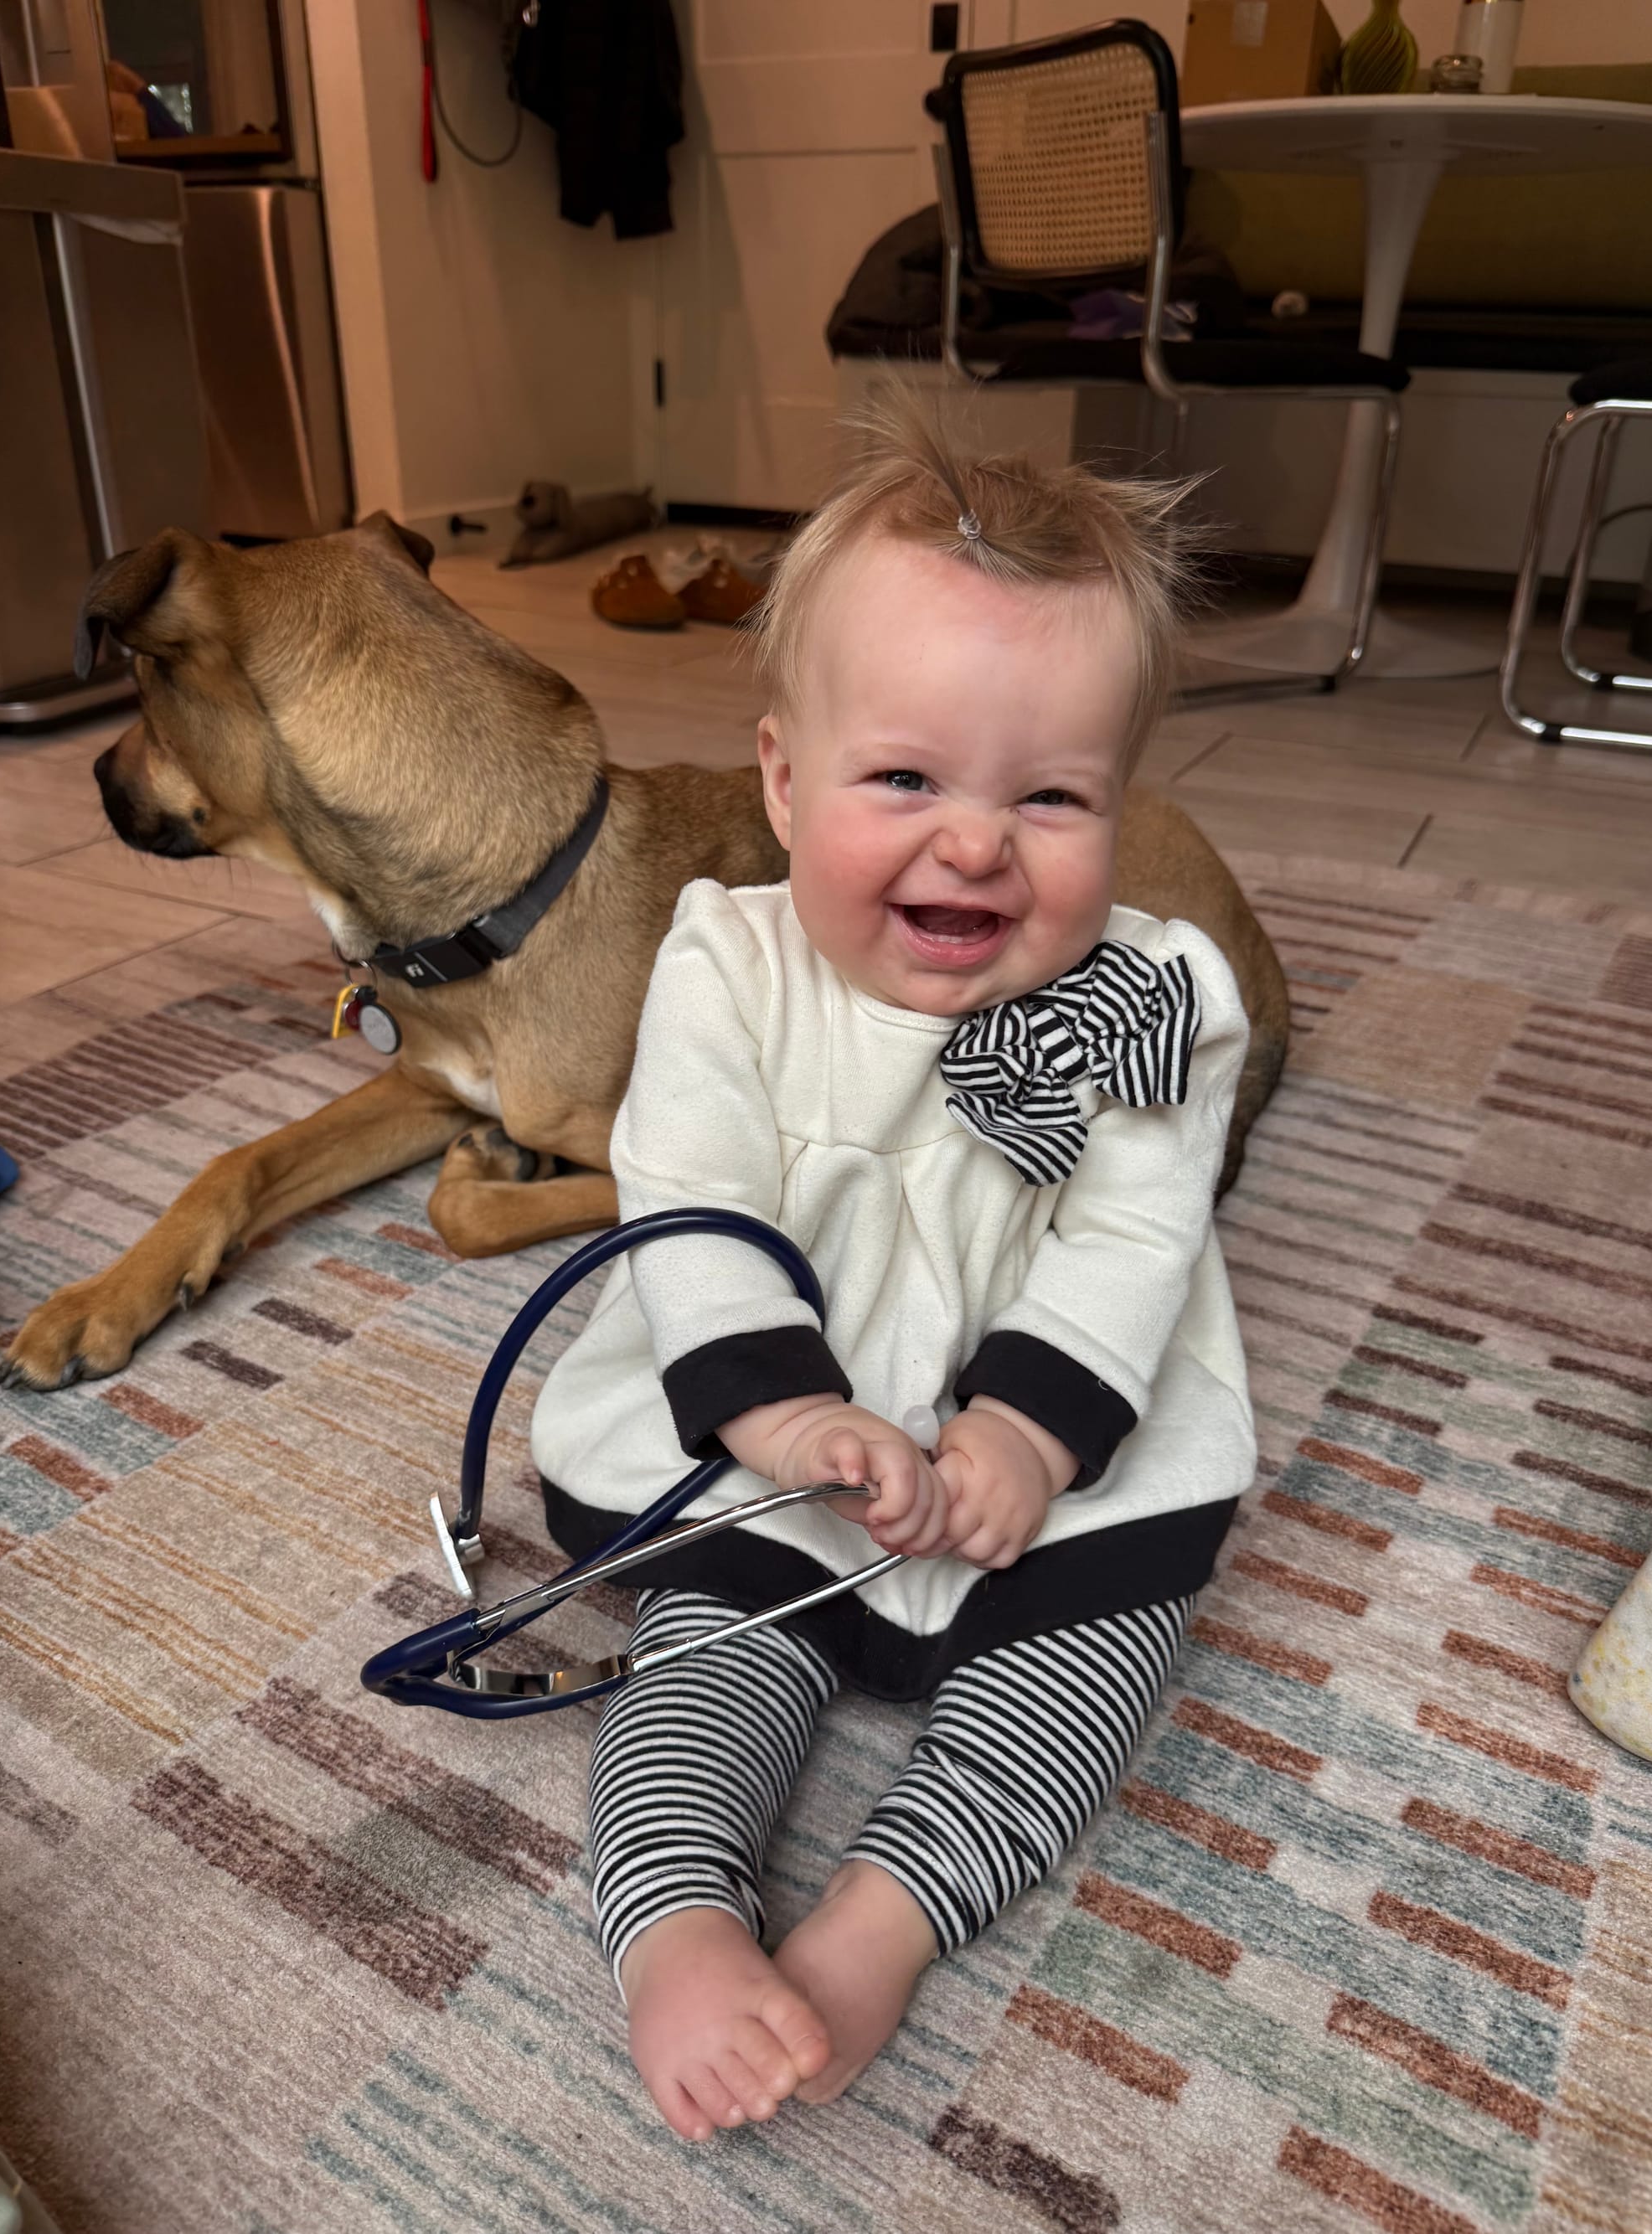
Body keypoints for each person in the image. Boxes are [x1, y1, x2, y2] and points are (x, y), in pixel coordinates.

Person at [531, 396, 1256, 2143]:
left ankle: (895, 1910)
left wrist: (1029, 1433)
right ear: (784, 782)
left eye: (1052, 796)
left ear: (1122, 803)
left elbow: (1135, 1231)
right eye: (907, 780)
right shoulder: (725, 968)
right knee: (705, 1653)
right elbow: (689, 1199)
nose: (978, 843)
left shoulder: (1153, 998)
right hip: (783, 1447)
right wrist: (786, 1419)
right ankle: (675, 1915)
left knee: (1094, 1666)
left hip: (1052, 1447)